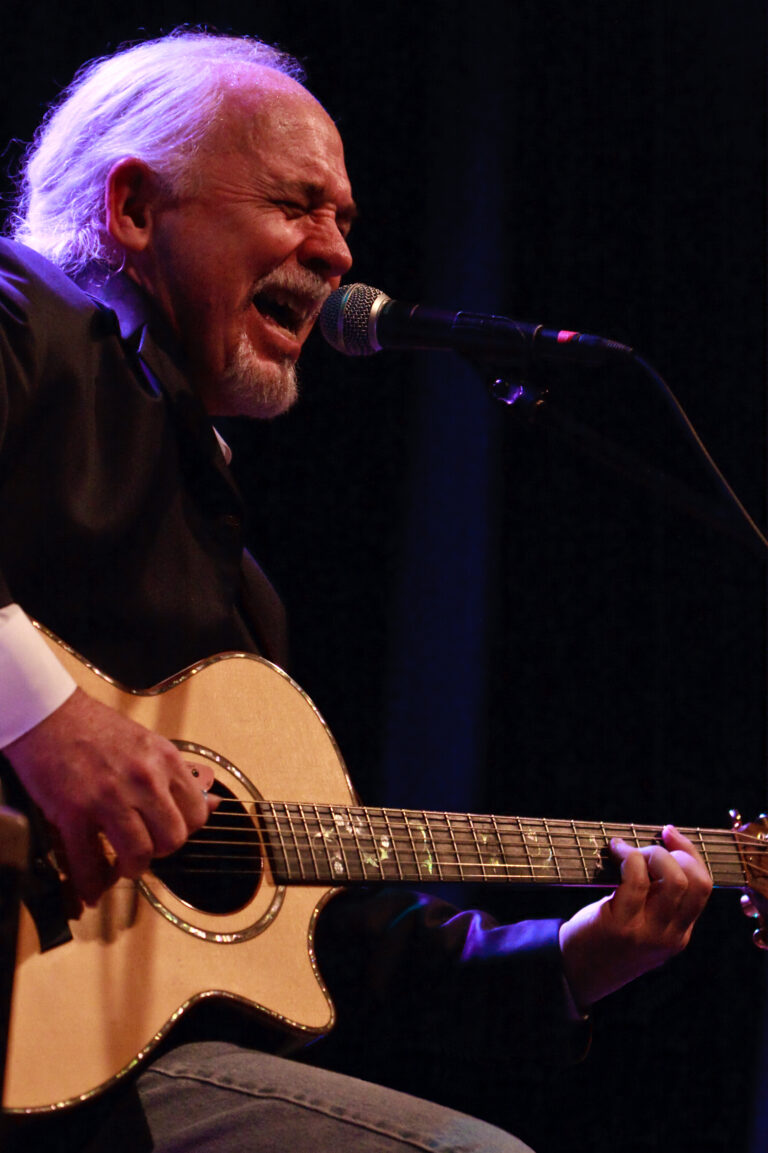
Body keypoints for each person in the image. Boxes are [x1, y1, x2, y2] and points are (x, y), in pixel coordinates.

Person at [0, 30, 711, 1153]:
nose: (337, 255)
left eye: (345, 219)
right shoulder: (21, 322)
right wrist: (40, 713)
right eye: (296, 205)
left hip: (98, 1068)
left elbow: (321, 931)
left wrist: (579, 955)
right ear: (134, 208)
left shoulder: (236, 589)